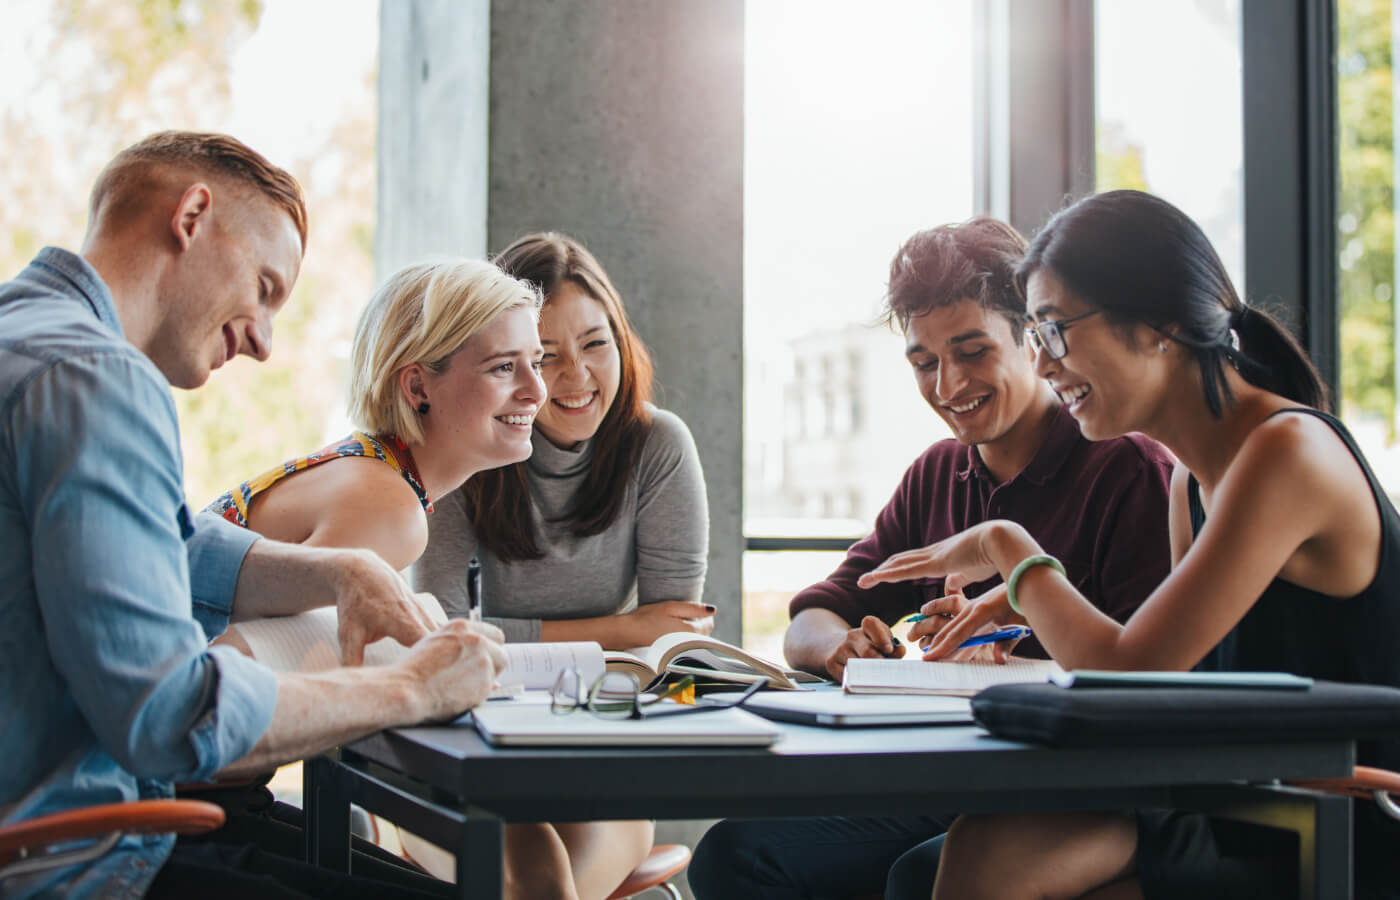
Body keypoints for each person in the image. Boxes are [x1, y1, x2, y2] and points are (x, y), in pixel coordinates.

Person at [0, 131, 508, 900]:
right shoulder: (98, 378)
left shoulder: (28, 343)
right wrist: (414, 688)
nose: (265, 343)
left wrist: (339, 569)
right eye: (265, 288)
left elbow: (156, 538)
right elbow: (171, 716)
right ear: (193, 216)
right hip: (78, 857)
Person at [860, 190, 1400, 900]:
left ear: (1158, 326)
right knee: (956, 860)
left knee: (987, 860)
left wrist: (1009, 549)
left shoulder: (1286, 453)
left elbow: (1131, 668)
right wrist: (1022, 604)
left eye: (1054, 331)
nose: (1045, 364)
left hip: (1344, 816)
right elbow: (1158, 689)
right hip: (1249, 800)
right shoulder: (1190, 481)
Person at [688, 217, 1177, 900]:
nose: (948, 385)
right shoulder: (938, 474)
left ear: (1032, 340)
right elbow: (810, 618)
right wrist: (842, 647)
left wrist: (1009, 664)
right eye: (924, 362)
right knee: (734, 855)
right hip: (960, 782)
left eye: (972, 352)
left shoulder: (1125, 467)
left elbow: (1146, 685)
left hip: (1084, 793)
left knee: (921, 876)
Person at [207, 257, 651, 900]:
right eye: (506, 367)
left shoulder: (374, 473)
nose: (537, 389)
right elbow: (250, 673)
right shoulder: (387, 508)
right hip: (173, 812)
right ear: (418, 388)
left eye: (536, 360)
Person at [414, 231, 712, 648]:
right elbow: (441, 631)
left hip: (616, 692)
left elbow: (669, 631)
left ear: (621, 342)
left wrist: (638, 633)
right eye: (545, 357)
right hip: (488, 690)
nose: (577, 375)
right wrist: (621, 629)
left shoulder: (658, 444)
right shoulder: (461, 445)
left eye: (595, 344)